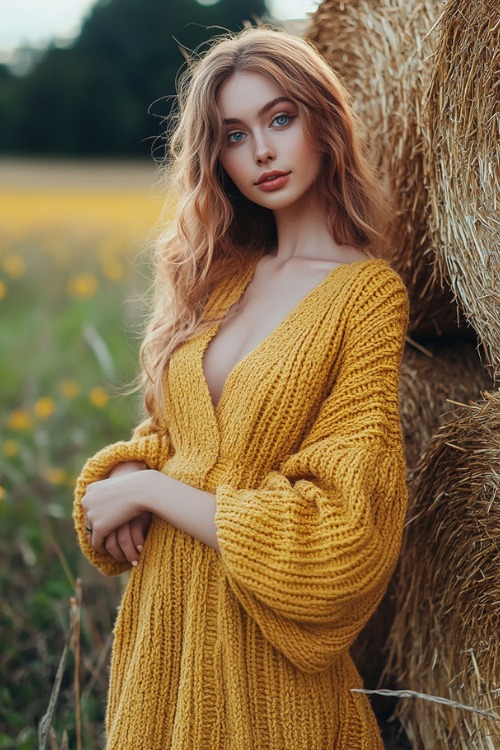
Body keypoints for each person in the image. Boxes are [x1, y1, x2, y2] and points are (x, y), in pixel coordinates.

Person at [74, 26, 409, 749]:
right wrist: (128, 467)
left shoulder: (367, 295)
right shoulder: (217, 279)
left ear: (324, 121)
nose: (260, 150)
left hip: (267, 654)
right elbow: (172, 437)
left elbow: (344, 531)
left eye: (280, 118)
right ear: (215, 157)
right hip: (164, 632)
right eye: (233, 134)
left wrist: (154, 491)